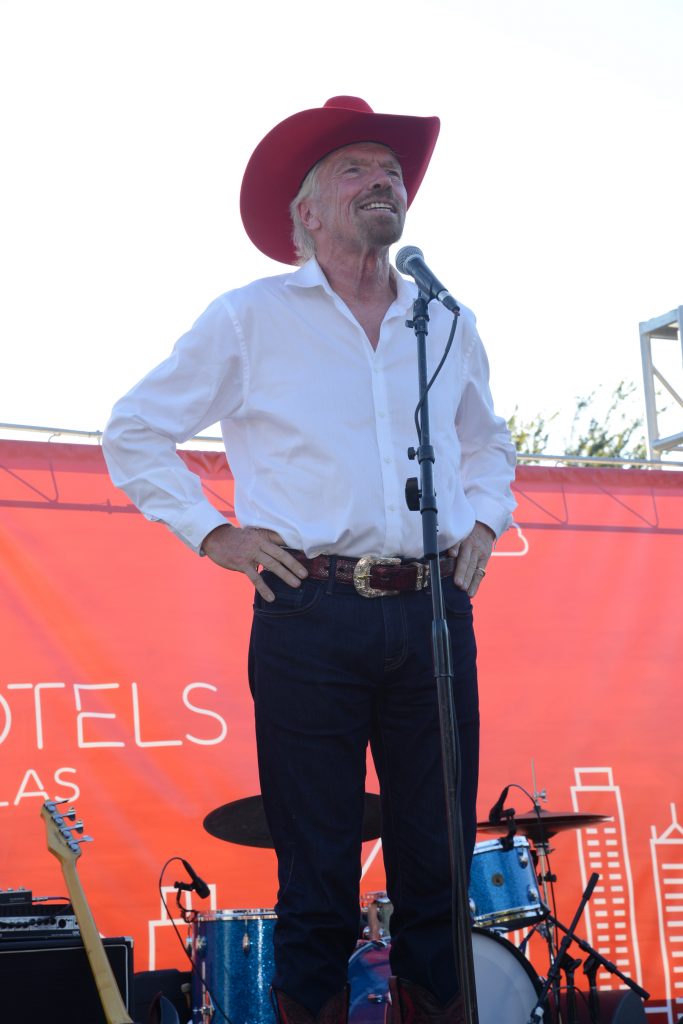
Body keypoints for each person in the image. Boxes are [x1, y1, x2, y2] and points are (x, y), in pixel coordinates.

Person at [103, 96, 516, 1024]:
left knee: (439, 866)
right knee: (318, 867)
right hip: (309, 613)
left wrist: (484, 525)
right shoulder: (250, 319)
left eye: (392, 172)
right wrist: (215, 533)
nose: (384, 182)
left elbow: (487, 442)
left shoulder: (444, 321)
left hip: (434, 613)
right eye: (355, 171)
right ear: (307, 213)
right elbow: (133, 430)